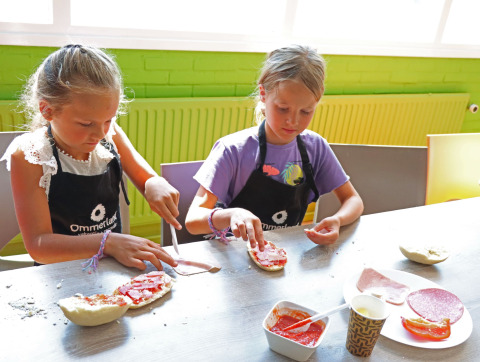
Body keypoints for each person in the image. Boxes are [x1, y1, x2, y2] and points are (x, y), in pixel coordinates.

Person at [1, 44, 180, 271]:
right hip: (61, 274)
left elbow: (145, 177)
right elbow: (39, 246)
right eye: (87, 124)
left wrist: (155, 183)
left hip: (111, 268)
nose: (101, 133)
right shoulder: (31, 155)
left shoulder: (109, 134)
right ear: (47, 110)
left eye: (108, 120)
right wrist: (108, 242)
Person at [185, 45, 364, 250]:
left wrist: (338, 220)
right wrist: (232, 215)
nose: (293, 121)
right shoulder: (232, 150)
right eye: (283, 108)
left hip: (284, 253)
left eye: (306, 111)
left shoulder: (316, 148)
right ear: (263, 94)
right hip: (235, 256)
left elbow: (353, 200)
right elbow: (193, 221)